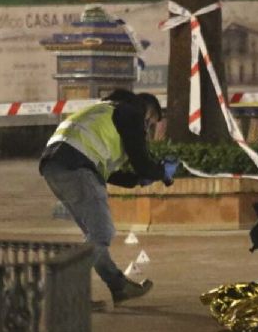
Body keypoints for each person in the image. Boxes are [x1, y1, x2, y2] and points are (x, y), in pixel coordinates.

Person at [40, 89, 177, 304]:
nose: (148, 129)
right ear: (148, 112)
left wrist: (136, 180)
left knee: (95, 237)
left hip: (55, 166)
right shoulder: (131, 113)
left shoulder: (104, 111)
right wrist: (161, 172)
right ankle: (62, 290)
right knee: (102, 232)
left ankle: (118, 286)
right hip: (77, 167)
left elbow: (109, 171)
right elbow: (142, 162)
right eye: (150, 124)